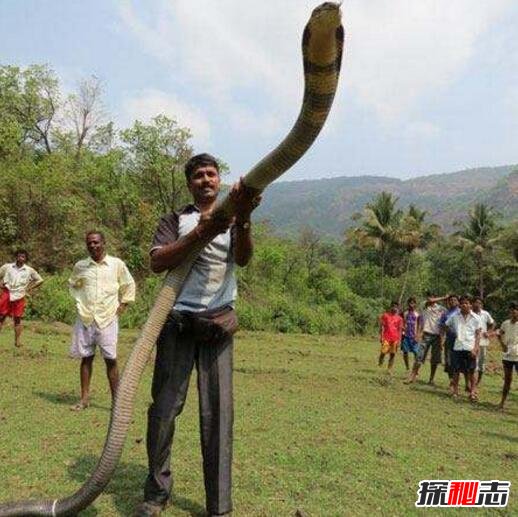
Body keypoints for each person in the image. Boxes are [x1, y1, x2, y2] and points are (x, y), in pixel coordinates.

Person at [136, 153, 261, 517]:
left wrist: (245, 218)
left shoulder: (235, 218)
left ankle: (218, 507)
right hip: (177, 324)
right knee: (163, 412)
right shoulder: (176, 219)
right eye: (198, 175)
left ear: (220, 180)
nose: (206, 180)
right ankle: (155, 495)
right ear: (189, 182)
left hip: (218, 327)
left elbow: (243, 260)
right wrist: (203, 230)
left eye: (212, 174)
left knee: (219, 416)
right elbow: (158, 261)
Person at [68, 231, 136, 411]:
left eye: (96, 242)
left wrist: (123, 305)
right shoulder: (81, 266)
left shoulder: (116, 264)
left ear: (104, 243)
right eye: (89, 243)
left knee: (111, 360)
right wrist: (79, 301)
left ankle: (117, 402)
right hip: (86, 318)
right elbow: (73, 284)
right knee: (86, 358)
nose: (93, 246)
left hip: (107, 318)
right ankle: (84, 400)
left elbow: (128, 284)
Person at [0, 249, 43, 348]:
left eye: (23, 257)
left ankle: (17, 342)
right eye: (19, 256)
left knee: (17, 319)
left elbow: (40, 280)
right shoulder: (7, 267)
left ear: (25, 258)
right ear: (16, 256)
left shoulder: (29, 270)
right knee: (1, 317)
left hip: (19, 295)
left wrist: (28, 288)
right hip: (7, 292)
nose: (20, 258)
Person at [405, 292, 448, 385]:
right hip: (426, 335)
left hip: (437, 336)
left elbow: (444, 324)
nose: (430, 299)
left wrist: (442, 338)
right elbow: (429, 302)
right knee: (419, 356)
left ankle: (431, 379)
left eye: (432, 297)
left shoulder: (442, 309)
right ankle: (412, 376)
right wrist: (418, 334)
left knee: (435, 359)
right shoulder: (424, 306)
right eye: (429, 297)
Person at [445, 295, 481, 401]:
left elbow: (478, 334)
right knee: (456, 370)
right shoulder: (454, 317)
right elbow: (446, 325)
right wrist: (453, 333)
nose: (464, 305)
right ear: (459, 305)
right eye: (462, 303)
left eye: (466, 303)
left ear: (470, 305)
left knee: (471, 371)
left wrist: (476, 348)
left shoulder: (476, 318)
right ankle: (455, 391)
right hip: (458, 347)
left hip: (470, 347)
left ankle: (473, 392)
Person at [497, 301, 518, 410]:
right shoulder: (505, 323)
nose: (513, 314)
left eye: (515, 311)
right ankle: (502, 402)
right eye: (511, 312)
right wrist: (502, 345)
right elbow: (499, 334)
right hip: (508, 355)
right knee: (507, 379)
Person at [471, 296, 495, 386]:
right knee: (473, 363)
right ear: (472, 303)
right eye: (476, 302)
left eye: (480, 303)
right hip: (472, 342)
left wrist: (489, 332)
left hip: (483, 342)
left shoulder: (485, 314)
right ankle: (472, 382)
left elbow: (492, 323)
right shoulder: (469, 313)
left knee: (481, 363)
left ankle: (478, 382)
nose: (478, 304)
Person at [439, 294, 460, 391]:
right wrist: (441, 340)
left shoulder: (461, 312)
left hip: (460, 341)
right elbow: (442, 328)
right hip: (449, 340)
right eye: (451, 300)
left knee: (459, 362)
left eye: (454, 300)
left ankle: (462, 383)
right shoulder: (445, 314)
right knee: (449, 361)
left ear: (458, 302)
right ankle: (451, 381)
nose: (452, 302)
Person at [378, 301, 403, 372]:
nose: (394, 308)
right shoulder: (385, 316)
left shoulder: (399, 318)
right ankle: (380, 361)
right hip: (386, 337)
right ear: (391, 306)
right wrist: (381, 336)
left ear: (398, 308)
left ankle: (389, 368)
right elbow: (382, 326)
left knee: (392, 354)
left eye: (396, 307)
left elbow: (400, 330)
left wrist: (399, 341)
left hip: (395, 338)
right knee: (383, 352)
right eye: (393, 306)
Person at [401, 297, 420, 371]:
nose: (411, 304)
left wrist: (418, 335)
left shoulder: (417, 314)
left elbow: (419, 326)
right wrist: (402, 328)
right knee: (405, 352)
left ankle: (415, 369)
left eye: (413, 303)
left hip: (414, 336)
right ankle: (407, 367)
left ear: (415, 304)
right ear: (408, 304)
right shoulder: (405, 313)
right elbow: (402, 323)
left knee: (416, 353)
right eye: (410, 303)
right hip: (406, 336)